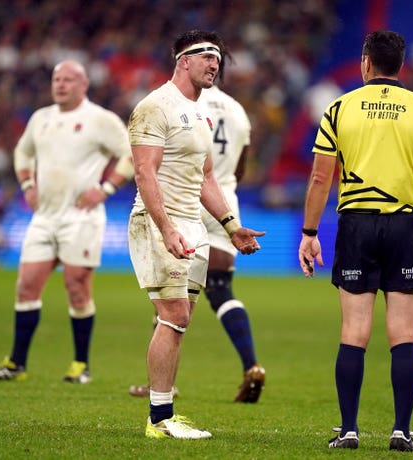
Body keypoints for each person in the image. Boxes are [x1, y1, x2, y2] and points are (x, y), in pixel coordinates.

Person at [297, 31, 413, 452]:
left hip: (357, 224)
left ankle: (348, 430)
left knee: (354, 330)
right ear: (401, 65)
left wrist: (309, 233)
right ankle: (401, 431)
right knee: (403, 331)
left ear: (366, 63)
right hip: (405, 225)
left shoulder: (339, 107)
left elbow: (319, 177)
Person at [127, 30, 264, 440]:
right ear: (182, 60)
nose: (214, 64)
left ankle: (164, 413)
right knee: (175, 315)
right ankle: (159, 419)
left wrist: (230, 225)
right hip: (160, 221)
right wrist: (165, 227)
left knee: (180, 320)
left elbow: (206, 177)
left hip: (193, 224)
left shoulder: (201, 113)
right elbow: (143, 172)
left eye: (218, 58)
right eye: (206, 56)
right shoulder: (154, 107)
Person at [0, 60, 135, 384]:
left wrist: (105, 189)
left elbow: (130, 155)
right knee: (25, 286)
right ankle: (16, 364)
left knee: (76, 286)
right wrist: (26, 185)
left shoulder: (100, 120)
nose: (60, 84)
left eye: (68, 80)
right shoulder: (41, 118)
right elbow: (22, 154)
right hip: (44, 217)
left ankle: (80, 365)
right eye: (56, 79)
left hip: (81, 217)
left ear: (84, 84)